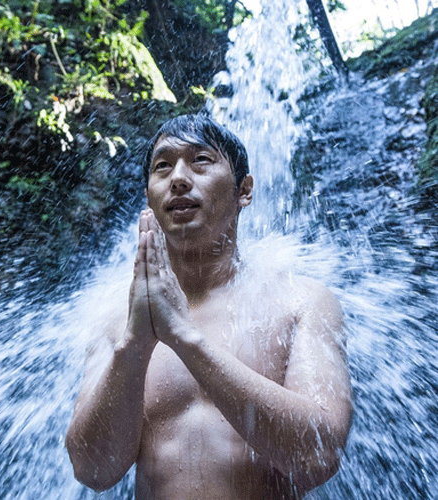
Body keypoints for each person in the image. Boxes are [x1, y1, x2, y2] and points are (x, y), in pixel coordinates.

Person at [65, 114, 353, 499]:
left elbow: (318, 456)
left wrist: (184, 338)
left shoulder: (301, 302)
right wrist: (135, 342)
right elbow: (93, 470)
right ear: (149, 198)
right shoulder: (116, 320)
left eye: (201, 160)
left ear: (244, 191)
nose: (179, 178)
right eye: (162, 166)